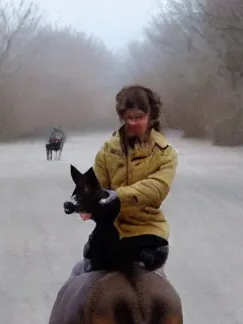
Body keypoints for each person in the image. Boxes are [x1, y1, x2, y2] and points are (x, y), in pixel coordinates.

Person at [72, 85, 178, 278]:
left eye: (139, 117)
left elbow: (157, 188)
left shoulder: (165, 152)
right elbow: (97, 185)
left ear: (151, 116)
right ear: (121, 116)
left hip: (148, 233)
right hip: (110, 232)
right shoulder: (108, 149)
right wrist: (83, 201)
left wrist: (119, 195)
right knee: (83, 268)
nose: (133, 123)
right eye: (129, 118)